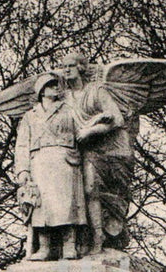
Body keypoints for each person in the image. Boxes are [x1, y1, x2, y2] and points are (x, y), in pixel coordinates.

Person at [61, 52, 136, 254]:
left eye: (70, 66)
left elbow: (117, 119)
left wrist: (91, 130)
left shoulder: (96, 91)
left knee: (97, 191)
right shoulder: (65, 98)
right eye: (64, 67)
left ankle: (102, 237)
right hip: (82, 150)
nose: (65, 70)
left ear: (81, 68)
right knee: (82, 192)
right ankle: (89, 238)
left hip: (108, 151)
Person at [15, 72, 87, 260]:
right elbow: (22, 144)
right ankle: (44, 248)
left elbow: (84, 131)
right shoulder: (30, 116)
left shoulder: (69, 109)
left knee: (66, 203)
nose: (56, 88)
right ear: (42, 91)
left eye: (57, 85)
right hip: (39, 162)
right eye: (51, 85)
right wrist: (22, 170)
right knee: (41, 207)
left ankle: (69, 245)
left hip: (64, 160)